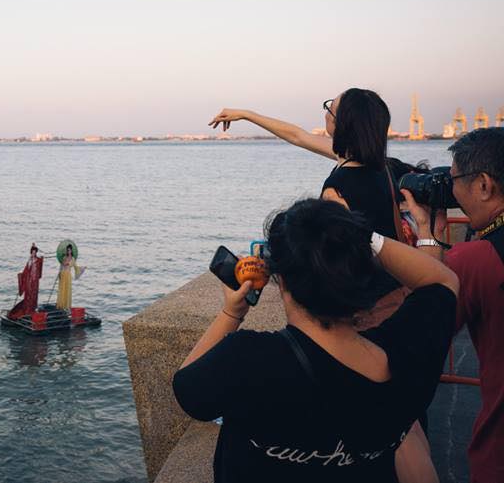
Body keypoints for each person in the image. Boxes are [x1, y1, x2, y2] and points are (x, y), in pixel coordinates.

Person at [173, 199, 458, 483]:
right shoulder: (408, 354)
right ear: (360, 272)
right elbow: (443, 281)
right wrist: (358, 237)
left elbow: (187, 391)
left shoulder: (248, 360)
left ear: (281, 279)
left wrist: (231, 312)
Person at [210, 90, 416, 327]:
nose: (326, 113)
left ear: (342, 124)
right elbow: (297, 136)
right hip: (396, 291)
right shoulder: (380, 167)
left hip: (368, 310)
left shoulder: (337, 189)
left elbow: (331, 261)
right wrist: (245, 115)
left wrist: (273, 264)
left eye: (330, 109)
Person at [401, 127, 504, 483]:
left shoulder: (478, 258)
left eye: (454, 178)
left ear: (485, 186)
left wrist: (427, 234)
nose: (452, 189)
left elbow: (419, 330)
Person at [8, 244, 44, 319]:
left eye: (35, 252)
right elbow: (26, 270)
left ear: (36, 252)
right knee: (28, 295)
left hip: (35, 281)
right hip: (29, 280)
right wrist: (21, 275)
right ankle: (28, 309)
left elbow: (40, 267)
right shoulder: (29, 260)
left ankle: (32, 309)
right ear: (31, 252)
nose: (33, 253)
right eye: (32, 252)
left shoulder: (38, 260)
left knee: (34, 294)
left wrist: (42, 259)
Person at [55, 244, 84, 310]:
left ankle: (66, 306)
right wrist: (59, 273)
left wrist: (82, 268)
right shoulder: (64, 257)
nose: (68, 251)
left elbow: (76, 268)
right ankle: (61, 305)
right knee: (61, 290)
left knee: (67, 290)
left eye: (69, 250)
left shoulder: (73, 259)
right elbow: (61, 266)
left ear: (71, 250)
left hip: (68, 275)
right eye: (67, 250)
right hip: (63, 274)